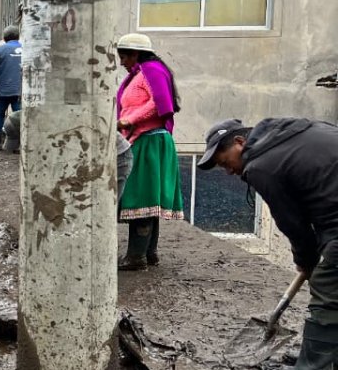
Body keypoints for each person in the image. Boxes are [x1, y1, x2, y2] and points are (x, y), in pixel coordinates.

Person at [199, 118, 338, 368]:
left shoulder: (262, 165)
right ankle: (324, 354)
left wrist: (306, 261)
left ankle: (313, 363)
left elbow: (293, 223)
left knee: (327, 292)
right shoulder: (289, 134)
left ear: (240, 142)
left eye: (224, 162)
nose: (229, 171)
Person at [115, 33, 183, 271]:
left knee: (140, 197)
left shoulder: (151, 70)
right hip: (146, 138)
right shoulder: (143, 73)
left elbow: (159, 102)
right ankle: (148, 252)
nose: (122, 62)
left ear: (136, 54)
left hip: (149, 140)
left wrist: (128, 120)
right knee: (147, 198)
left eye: (124, 57)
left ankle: (136, 257)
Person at [0, 26, 23, 149]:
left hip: (2, 90)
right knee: (20, 116)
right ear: (18, 36)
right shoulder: (26, 50)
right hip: (20, 91)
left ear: (4, 38)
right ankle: (19, 145)